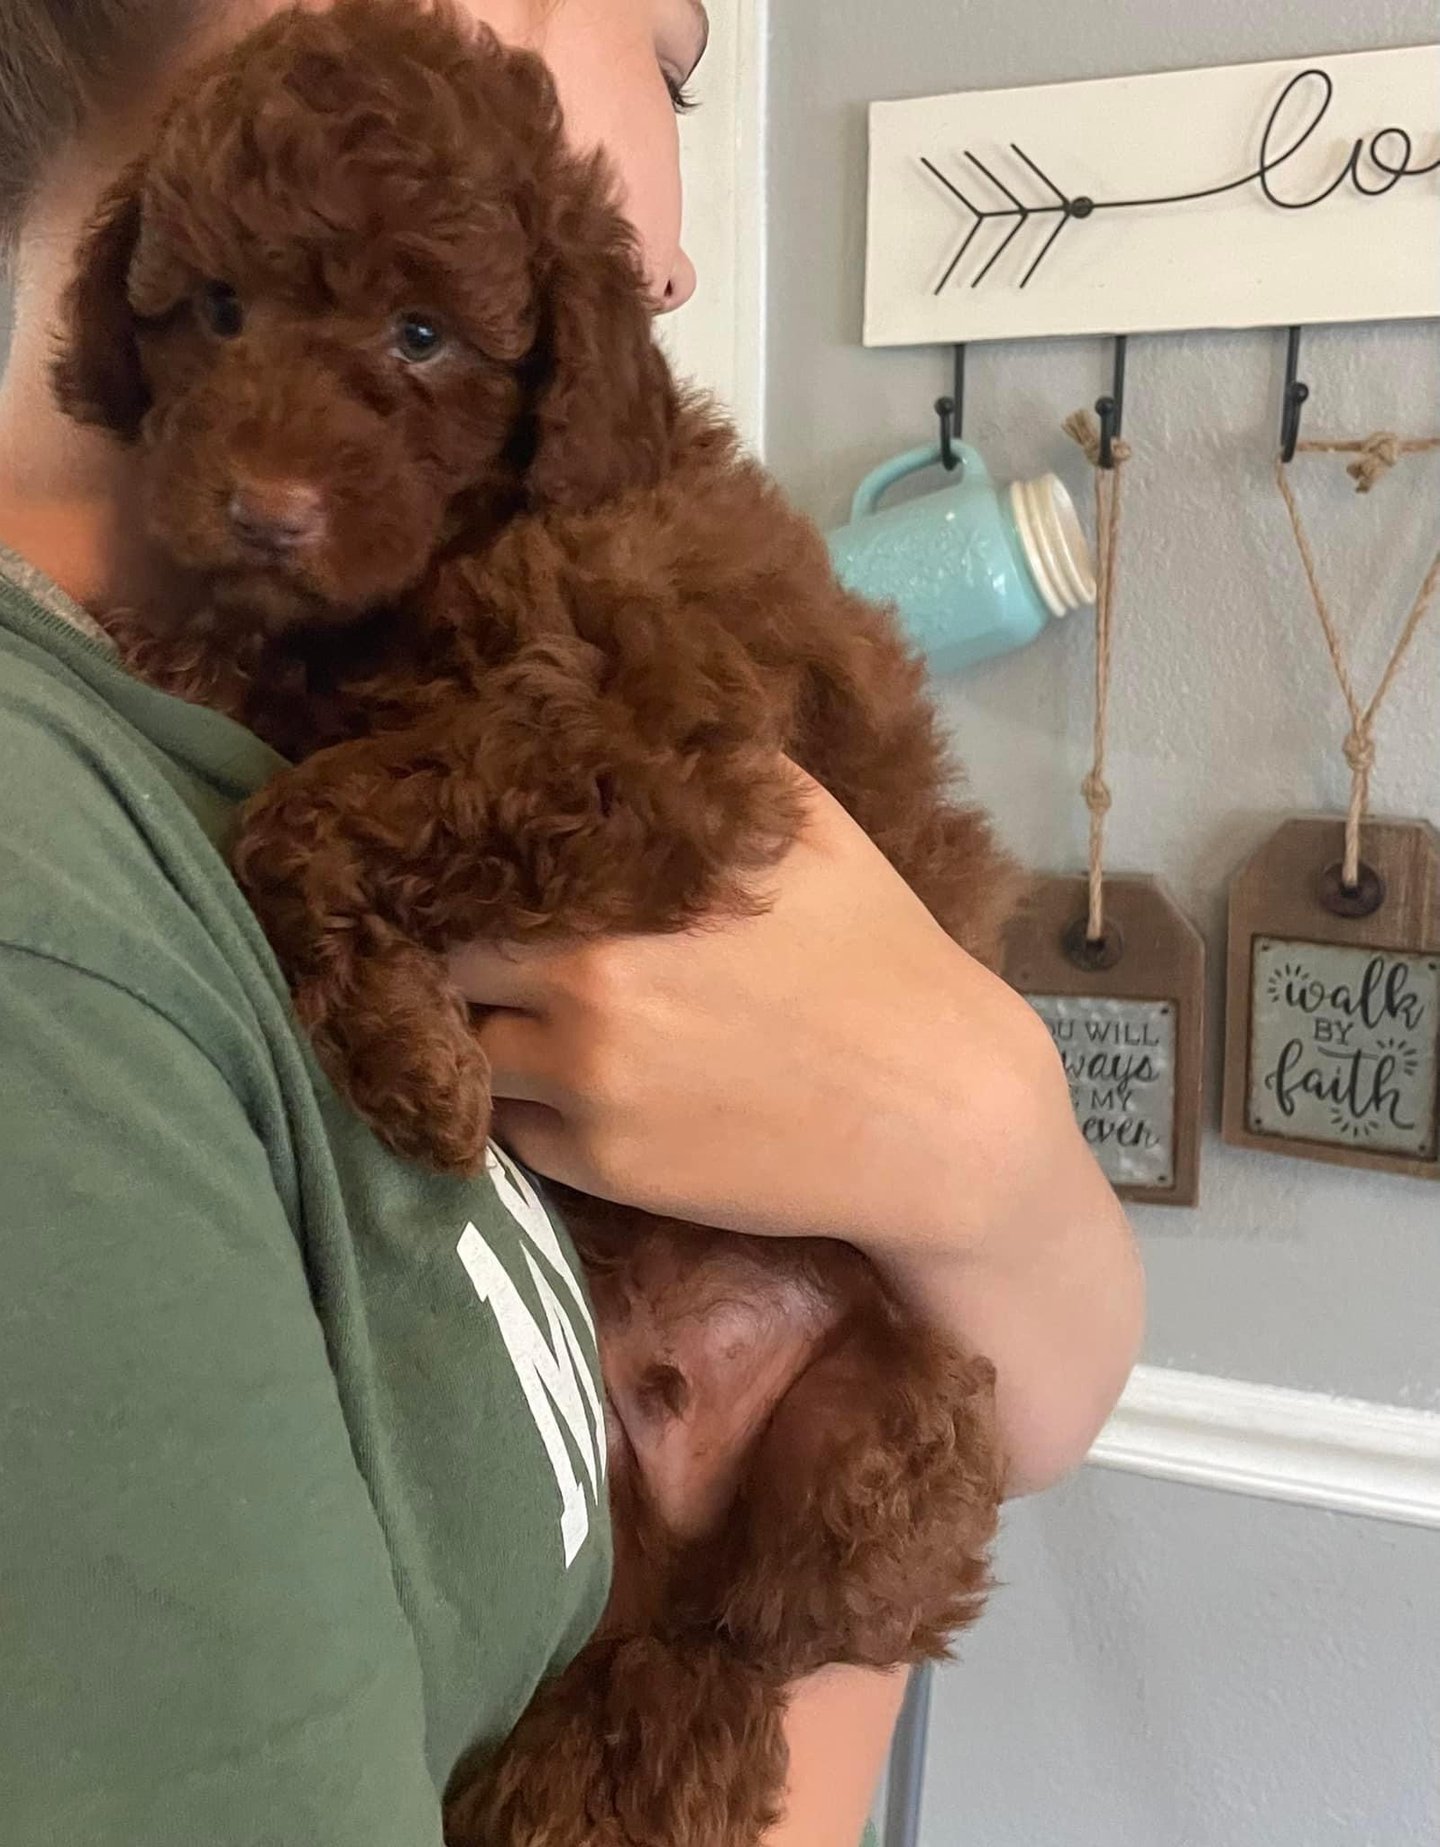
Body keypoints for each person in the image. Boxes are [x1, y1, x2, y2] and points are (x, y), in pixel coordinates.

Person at [0, 1, 1143, 1841]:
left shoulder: (355, 674)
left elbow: (1031, 1403)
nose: (676, 260)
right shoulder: (59, 925)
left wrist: (984, 1131)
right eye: (677, 61)